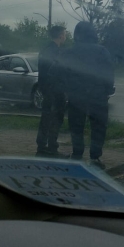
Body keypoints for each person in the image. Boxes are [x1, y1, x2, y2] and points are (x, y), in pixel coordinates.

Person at [53, 21, 114, 169]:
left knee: (76, 126)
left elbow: (59, 73)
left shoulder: (69, 52)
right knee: (98, 127)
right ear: (93, 33)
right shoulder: (102, 51)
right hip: (98, 95)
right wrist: (107, 91)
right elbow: (108, 73)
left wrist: (67, 89)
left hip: (76, 95)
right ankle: (95, 158)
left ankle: (77, 154)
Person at [35, 25, 68, 157]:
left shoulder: (45, 49)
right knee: (55, 119)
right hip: (55, 89)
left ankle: (41, 147)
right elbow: (60, 72)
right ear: (60, 36)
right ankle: (52, 148)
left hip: (46, 89)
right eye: (64, 34)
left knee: (46, 117)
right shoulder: (57, 52)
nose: (65, 36)